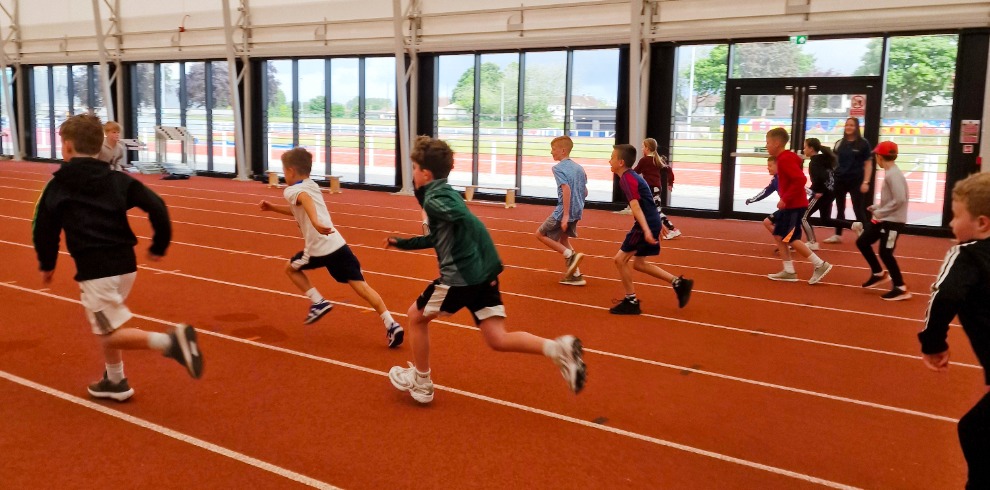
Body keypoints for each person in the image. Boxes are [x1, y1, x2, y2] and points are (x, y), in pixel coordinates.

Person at [385, 136, 586, 404]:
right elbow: (440, 235)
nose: (412, 174)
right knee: (497, 338)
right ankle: (558, 349)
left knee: (415, 317)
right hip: (484, 274)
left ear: (425, 173)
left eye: (414, 168)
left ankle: (422, 382)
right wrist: (406, 243)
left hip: (460, 278)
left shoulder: (438, 200)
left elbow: (463, 219)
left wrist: (442, 223)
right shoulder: (443, 192)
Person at [32, 114, 203, 402]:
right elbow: (157, 206)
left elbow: (43, 229)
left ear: (68, 146)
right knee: (109, 324)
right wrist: (159, 244)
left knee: (107, 333)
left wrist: (47, 263)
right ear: (100, 145)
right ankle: (115, 380)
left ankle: (170, 342)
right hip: (126, 266)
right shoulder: (118, 180)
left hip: (96, 271)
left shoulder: (57, 185)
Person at [259, 148, 404, 347]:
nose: (284, 175)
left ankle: (318, 302)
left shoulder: (291, 190)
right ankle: (391, 323)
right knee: (362, 286)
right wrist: (273, 208)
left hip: (318, 247)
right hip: (338, 244)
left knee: (290, 268)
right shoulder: (313, 185)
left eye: (284, 171)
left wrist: (317, 224)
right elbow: (299, 209)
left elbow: (305, 200)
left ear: (291, 171)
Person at [918, 172, 990, 489]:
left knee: (975, 432)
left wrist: (932, 344)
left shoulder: (966, 254)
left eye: (956, 215)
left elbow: (944, 295)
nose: (950, 223)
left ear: (982, 223)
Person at [608, 143, 693, 315]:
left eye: (612, 158)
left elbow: (636, 207)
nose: (609, 161)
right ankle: (678, 283)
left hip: (645, 223)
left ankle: (631, 301)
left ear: (621, 162)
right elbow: (648, 201)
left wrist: (646, 229)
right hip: (651, 220)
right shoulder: (631, 176)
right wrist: (657, 222)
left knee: (619, 260)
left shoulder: (627, 178)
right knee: (639, 264)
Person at [764, 127, 834, 284]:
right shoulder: (786, 157)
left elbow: (800, 180)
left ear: (776, 143)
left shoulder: (785, 159)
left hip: (794, 206)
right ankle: (789, 271)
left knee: (791, 239)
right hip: (790, 206)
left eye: (768, 142)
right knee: (779, 235)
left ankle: (820, 264)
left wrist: (785, 199)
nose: (766, 145)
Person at [855, 141, 910, 300]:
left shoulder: (893, 175)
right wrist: (878, 207)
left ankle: (900, 287)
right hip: (885, 218)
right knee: (863, 242)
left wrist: (881, 211)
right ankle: (878, 273)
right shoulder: (891, 173)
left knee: (886, 253)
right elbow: (895, 199)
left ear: (879, 157)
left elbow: (900, 200)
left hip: (893, 222)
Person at [536, 136, 589, 286]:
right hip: (578, 210)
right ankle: (576, 275)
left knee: (540, 234)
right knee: (564, 239)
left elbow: (566, 189)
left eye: (553, 149)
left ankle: (569, 254)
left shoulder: (558, 168)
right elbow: (585, 192)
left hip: (563, 211)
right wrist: (575, 208)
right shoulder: (580, 168)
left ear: (563, 150)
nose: (551, 152)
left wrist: (565, 215)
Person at [824, 117, 873, 244]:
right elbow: (833, 160)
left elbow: (868, 164)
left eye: (851, 125)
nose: (849, 127)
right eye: (847, 125)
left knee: (858, 209)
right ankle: (838, 235)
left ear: (856, 127)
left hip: (856, 180)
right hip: (840, 180)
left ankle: (866, 236)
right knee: (840, 208)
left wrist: (866, 182)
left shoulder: (863, 144)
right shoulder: (840, 143)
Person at [636, 138, 681, 239]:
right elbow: (669, 170)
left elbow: (636, 172)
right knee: (650, 210)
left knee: (656, 211)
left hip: (650, 188)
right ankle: (651, 230)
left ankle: (672, 229)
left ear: (647, 148)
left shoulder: (645, 160)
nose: (642, 149)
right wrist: (670, 182)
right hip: (656, 188)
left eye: (643, 147)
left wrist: (625, 172)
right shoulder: (656, 159)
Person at [801, 138, 837, 250]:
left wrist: (813, 191)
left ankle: (812, 242)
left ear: (811, 149)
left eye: (805, 147)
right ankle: (853, 225)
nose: (803, 149)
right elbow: (829, 176)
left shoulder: (815, 162)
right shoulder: (824, 159)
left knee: (803, 216)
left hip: (821, 193)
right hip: (830, 192)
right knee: (825, 219)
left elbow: (821, 178)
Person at [745, 156, 781, 252]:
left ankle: (786, 244)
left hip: (793, 208)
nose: (767, 168)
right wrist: (753, 199)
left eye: (770, 165)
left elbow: (800, 187)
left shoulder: (786, 178)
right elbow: (766, 191)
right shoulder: (775, 179)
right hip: (785, 208)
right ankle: (786, 243)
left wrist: (813, 194)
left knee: (768, 222)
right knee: (769, 223)